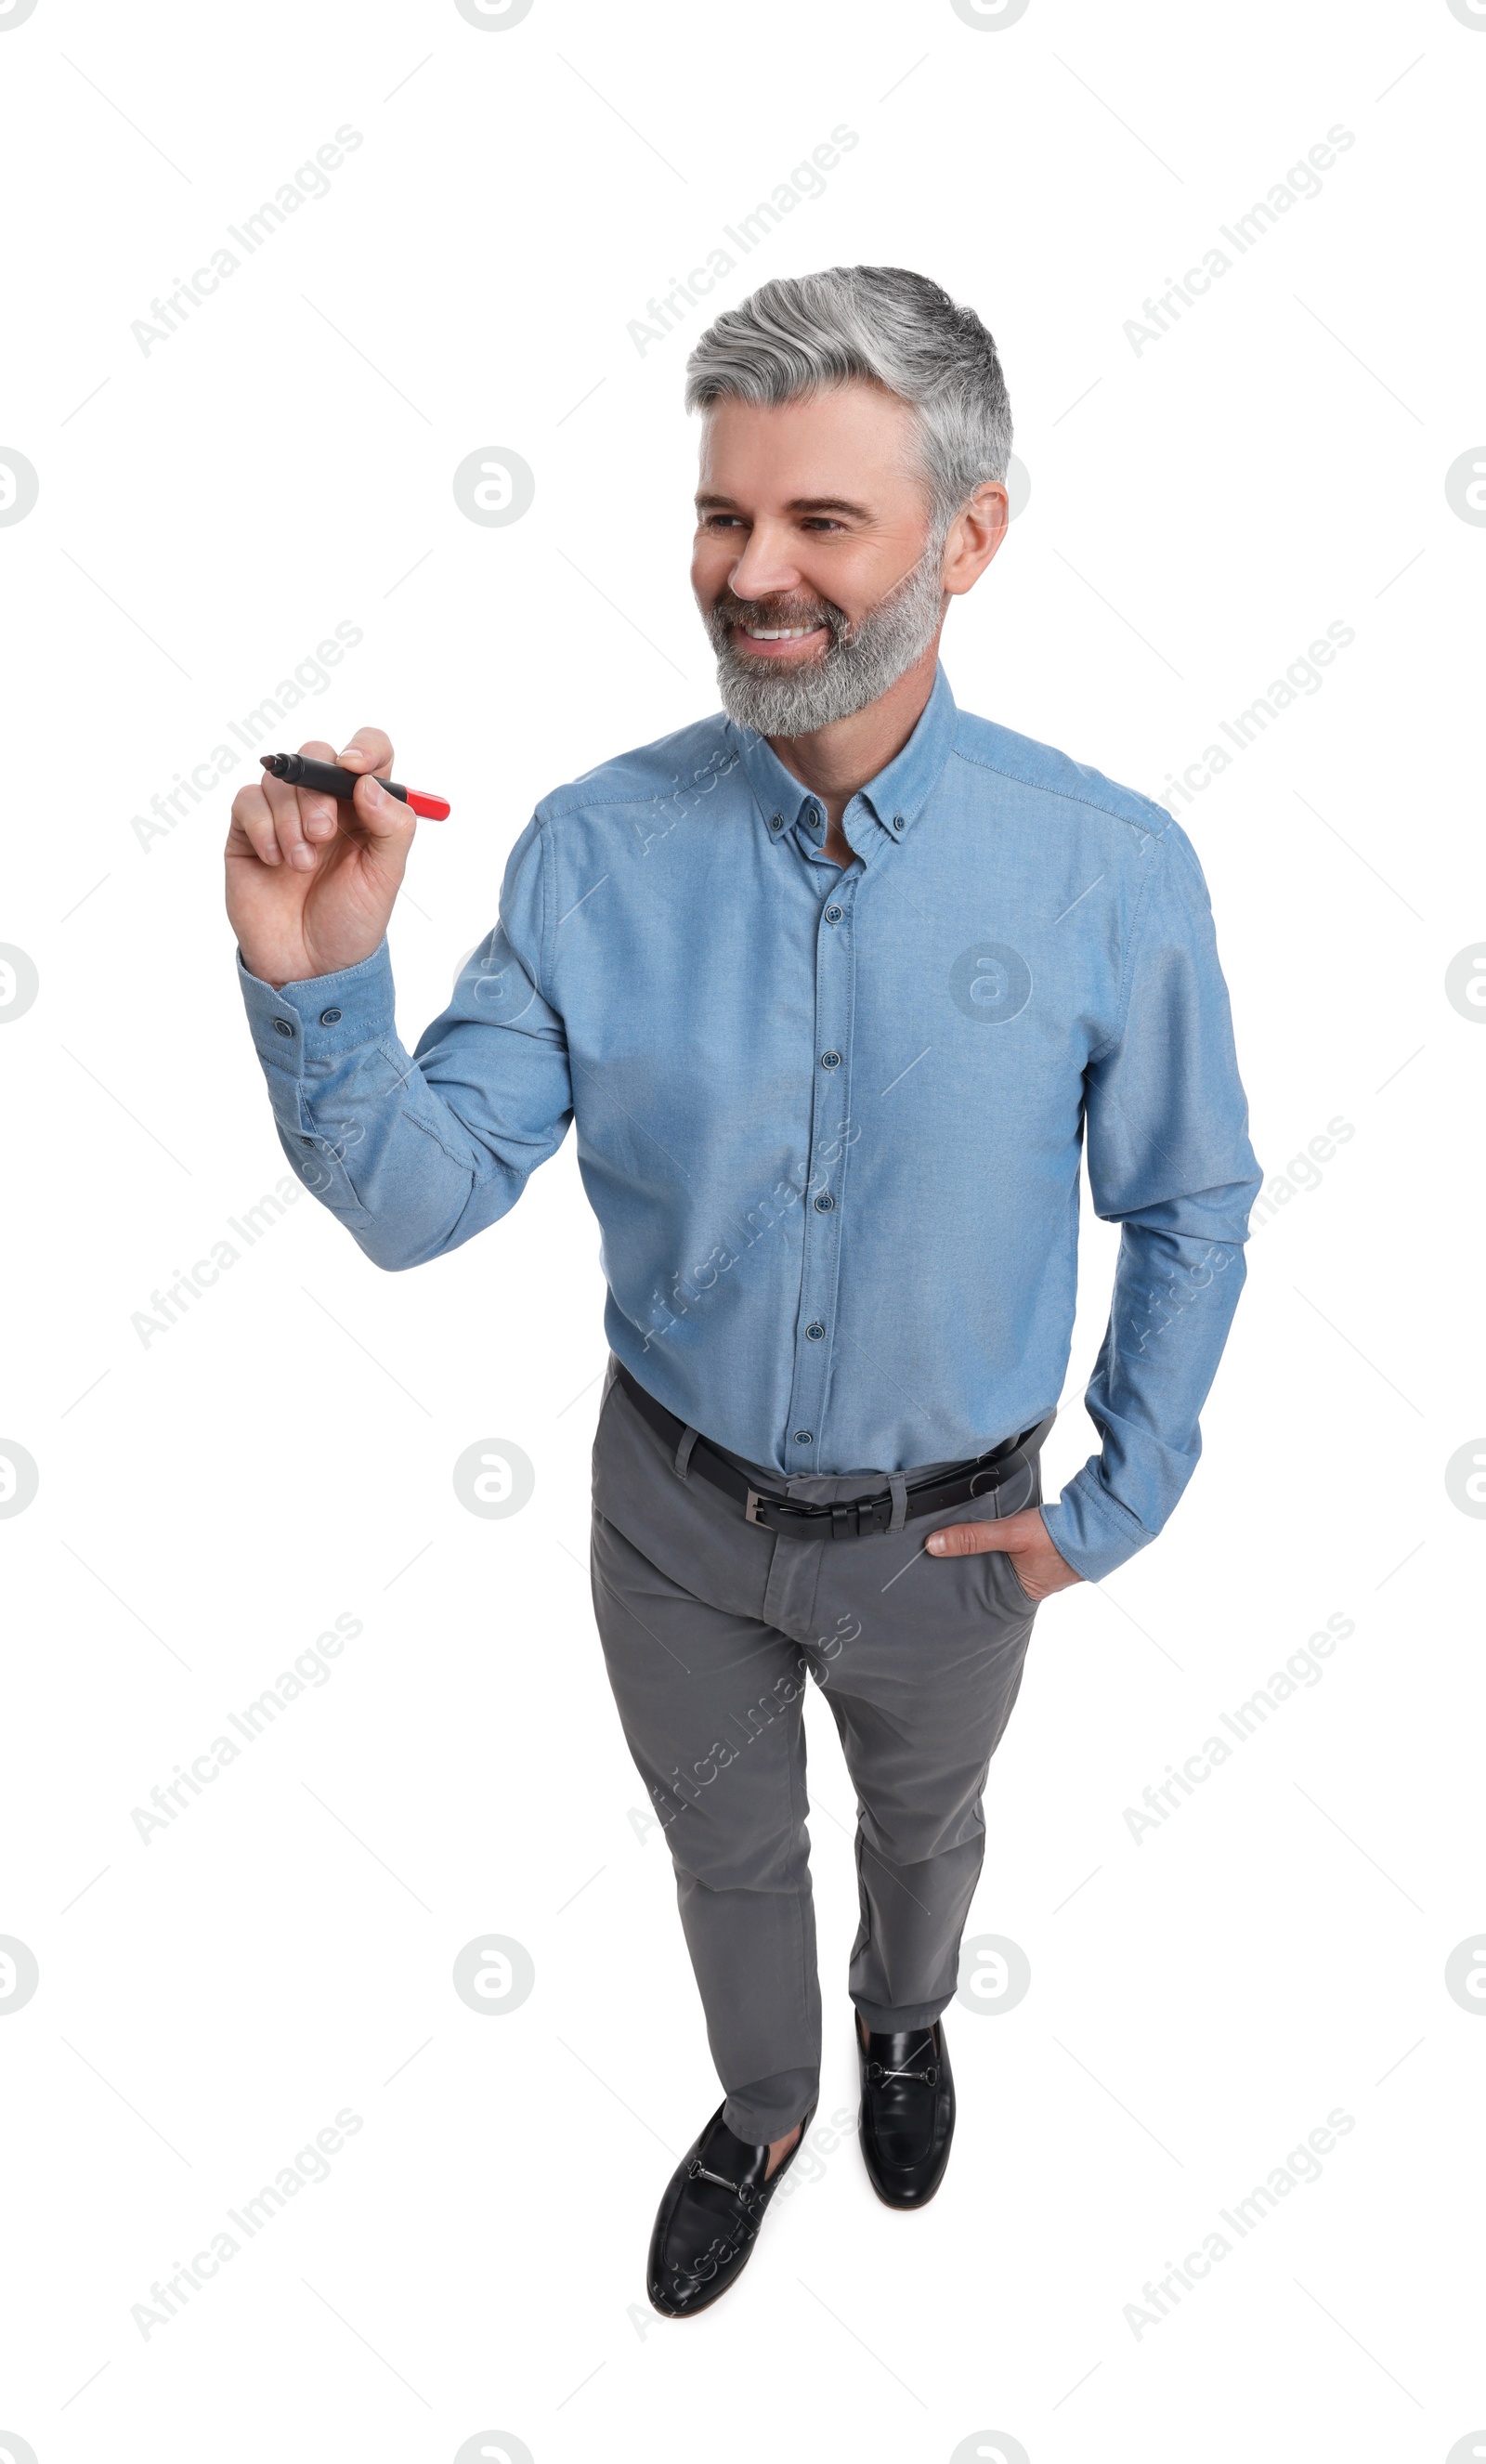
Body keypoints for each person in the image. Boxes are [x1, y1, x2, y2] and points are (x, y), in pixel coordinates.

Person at [226, 266, 1261, 2319]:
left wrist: (1109, 1508)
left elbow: (1189, 1196)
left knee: (921, 1829)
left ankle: (900, 2020)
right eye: (721, 514)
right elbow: (420, 1205)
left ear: (963, 540)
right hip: (670, 1529)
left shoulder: (1105, 867)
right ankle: (770, 2096)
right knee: (722, 1858)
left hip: (952, 1541)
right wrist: (317, 977)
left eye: (818, 522)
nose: (750, 574)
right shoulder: (595, 851)